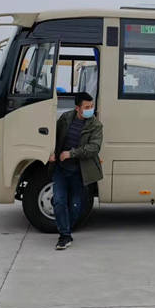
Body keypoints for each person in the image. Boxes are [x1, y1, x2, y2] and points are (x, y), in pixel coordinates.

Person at [48, 92, 103, 250]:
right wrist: (50, 153)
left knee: (76, 205)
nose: (90, 109)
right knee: (58, 201)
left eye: (91, 106)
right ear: (77, 108)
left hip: (79, 171)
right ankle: (64, 235)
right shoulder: (65, 119)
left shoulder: (96, 125)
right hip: (61, 168)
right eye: (86, 107)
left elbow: (94, 148)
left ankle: (66, 229)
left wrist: (71, 153)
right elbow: (53, 137)